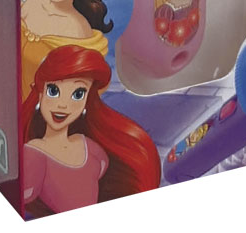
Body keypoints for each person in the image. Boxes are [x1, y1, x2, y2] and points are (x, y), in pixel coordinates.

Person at [20, 45, 160, 217]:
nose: (63, 105)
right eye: (53, 91)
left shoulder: (90, 148)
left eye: (78, 94)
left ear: (87, 101)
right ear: (40, 93)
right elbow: (23, 197)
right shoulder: (34, 154)